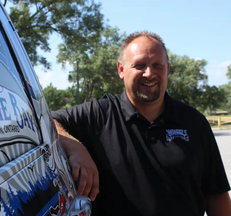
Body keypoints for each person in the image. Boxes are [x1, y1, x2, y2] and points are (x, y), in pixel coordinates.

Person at [51, 31, 231, 215]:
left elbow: (216, 193)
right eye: (139, 65)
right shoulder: (99, 115)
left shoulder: (194, 122)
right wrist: (76, 148)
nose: (149, 73)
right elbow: (46, 120)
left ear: (167, 69)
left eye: (157, 65)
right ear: (121, 70)